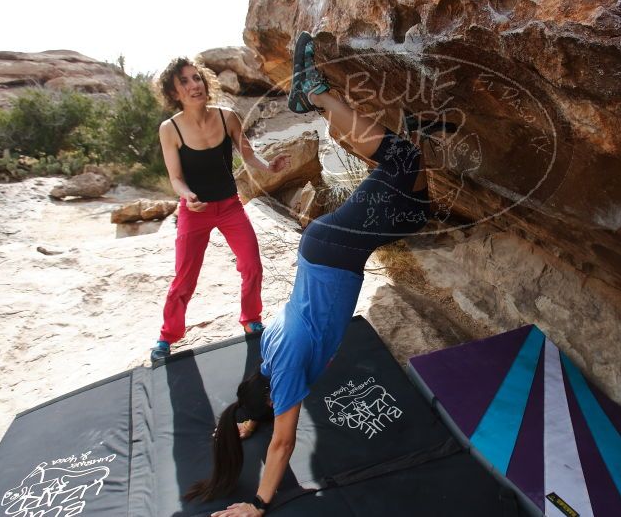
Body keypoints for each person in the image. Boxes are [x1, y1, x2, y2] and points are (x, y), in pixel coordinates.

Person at [186, 33, 457, 517]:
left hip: (335, 251)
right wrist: (245, 418)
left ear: (273, 396)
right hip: (325, 251)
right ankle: (410, 129)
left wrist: (258, 504)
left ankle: (312, 92)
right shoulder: (270, 355)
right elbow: (261, 390)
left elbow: (283, 446)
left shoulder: (284, 372)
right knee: (416, 210)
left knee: (402, 162)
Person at [151, 57, 290, 362]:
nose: (194, 85)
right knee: (185, 278)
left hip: (229, 206)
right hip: (194, 211)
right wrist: (187, 196)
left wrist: (270, 165)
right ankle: (168, 336)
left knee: (252, 264)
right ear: (175, 93)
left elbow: (249, 156)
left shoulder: (227, 117)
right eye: (184, 81)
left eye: (196, 78)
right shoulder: (170, 129)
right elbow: (175, 178)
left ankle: (251, 318)